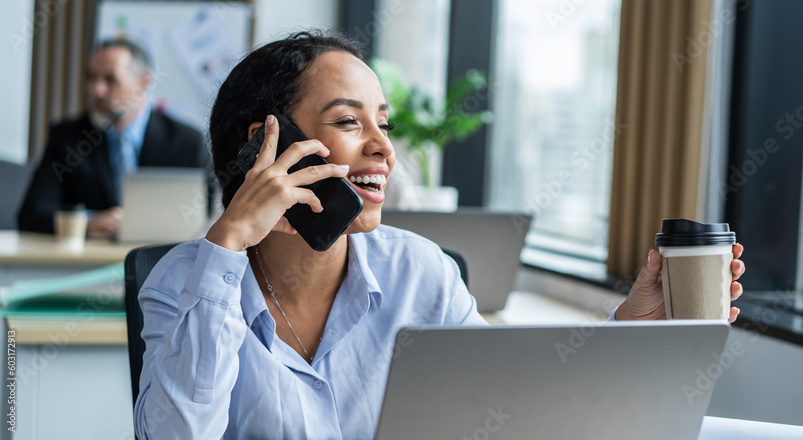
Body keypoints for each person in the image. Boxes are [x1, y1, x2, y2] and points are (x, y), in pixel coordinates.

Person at [132, 31, 746, 439]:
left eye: (384, 123)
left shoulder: (419, 273)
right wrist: (231, 237)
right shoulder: (187, 281)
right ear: (267, 147)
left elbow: (510, 412)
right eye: (349, 121)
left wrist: (627, 328)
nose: (383, 148)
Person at [17, 39, 206, 237]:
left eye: (110, 79)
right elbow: (32, 215)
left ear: (143, 83)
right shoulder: (68, 139)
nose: (97, 90)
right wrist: (89, 223)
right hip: (90, 261)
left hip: (161, 259)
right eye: (91, 78)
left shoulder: (186, 142)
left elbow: (208, 217)